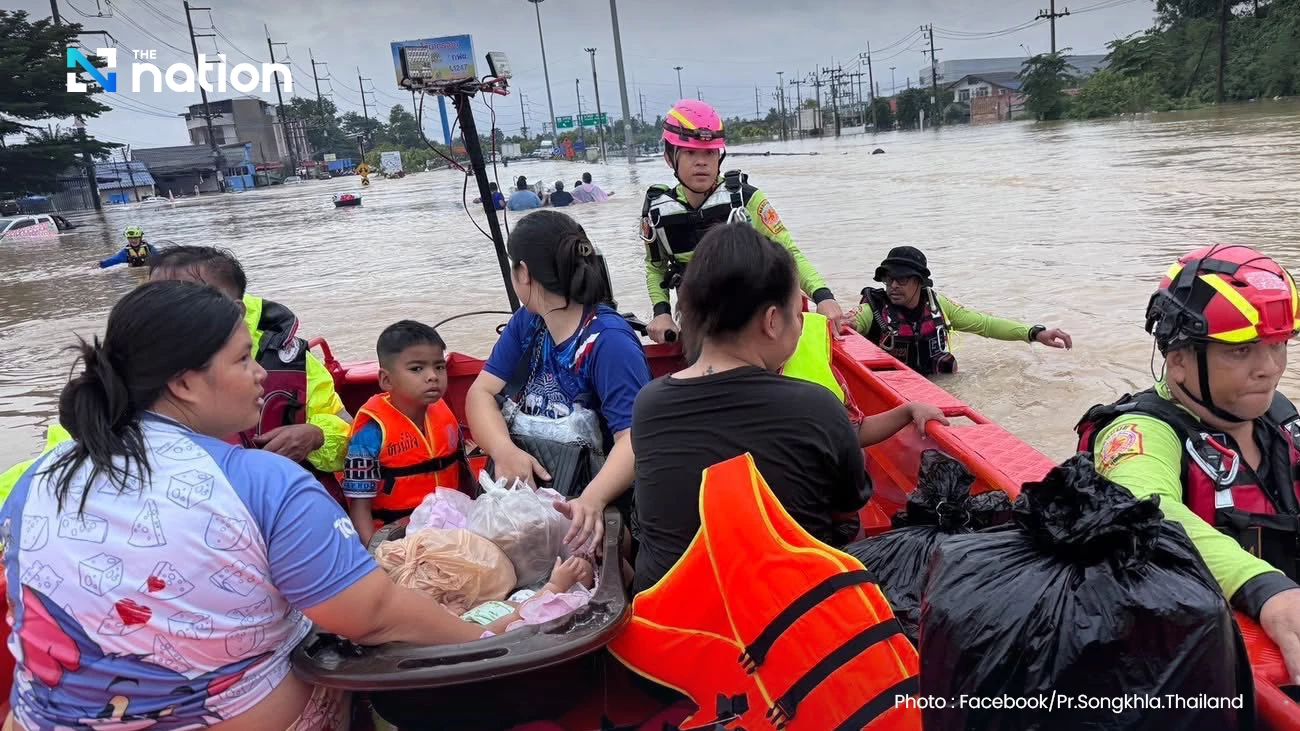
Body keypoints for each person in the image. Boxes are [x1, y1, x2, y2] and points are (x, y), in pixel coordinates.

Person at [0, 281, 506, 731]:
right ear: (182, 382)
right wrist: (491, 635)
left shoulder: (39, 473)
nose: (263, 375)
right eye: (244, 359)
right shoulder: (262, 480)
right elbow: (373, 616)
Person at [625, 223, 947, 593]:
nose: (801, 326)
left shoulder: (649, 405)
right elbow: (847, 506)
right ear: (772, 321)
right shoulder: (815, 406)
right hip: (786, 622)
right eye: (798, 315)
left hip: (670, 622)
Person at [1075, 244, 1300, 683]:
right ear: (1178, 361)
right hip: (1195, 653)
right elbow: (1142, 506)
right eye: (1242, 351)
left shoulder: (1278, 417)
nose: (1269, 369)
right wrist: (1266, 590)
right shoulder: (1141, 431)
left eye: (1278, 347)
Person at [465, 210, 650, 550]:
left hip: (596, 508)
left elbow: (635, 439)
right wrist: (503, 451)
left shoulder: (607, 341)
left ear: (523, 273)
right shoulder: (528, 323)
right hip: (530, 502)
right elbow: (481, 393)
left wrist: (591, 500)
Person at [642, 99, 846, 344]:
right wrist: (662, 313)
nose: (701, 162)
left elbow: (788, 252)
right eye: (690, 152)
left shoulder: (746, 199)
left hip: (754, 325)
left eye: (709, 152)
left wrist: (823, 296)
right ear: (669, 157)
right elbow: (656, 268)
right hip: (699, 326)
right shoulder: (656, 212)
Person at [854, 246, 1073, 375]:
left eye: (900, 279)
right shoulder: (873, 309)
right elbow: (848, 327)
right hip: (895, 391)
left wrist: (1034, 333)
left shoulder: (939, 306)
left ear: (919, 283)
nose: (892, 286)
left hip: (939, 385)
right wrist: (847, 323)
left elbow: (986, 325)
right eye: (888, 279)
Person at [343, 320, 467, 545]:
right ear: (386, 380)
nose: (433, 376)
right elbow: (359, 506)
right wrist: (378, 555)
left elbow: (464, 475)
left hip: (451, 528)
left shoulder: (444, 415)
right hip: (398, 539)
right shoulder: (370, 435)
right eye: (417, 369)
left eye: (439, 367)